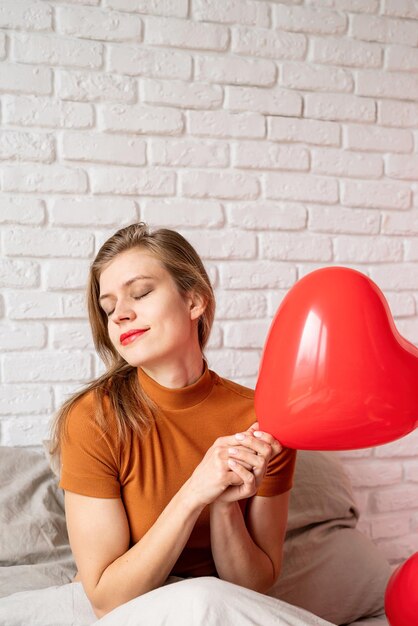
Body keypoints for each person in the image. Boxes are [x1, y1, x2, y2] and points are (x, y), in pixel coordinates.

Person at [48, 221, 297, 621]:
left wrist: (223, 506)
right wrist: (195, 491)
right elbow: (106, 598)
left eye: (141, 293)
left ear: (194, 301)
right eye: (108, 308)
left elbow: (252, 589)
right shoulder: (93, 419)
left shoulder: (261, 420)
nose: (121, 315)